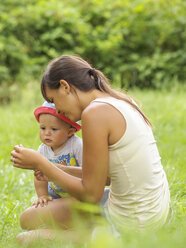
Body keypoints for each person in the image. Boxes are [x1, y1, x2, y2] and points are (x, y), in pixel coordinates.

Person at [11, 55, 170, 243]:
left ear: (65, 86)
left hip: (134, 220)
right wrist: (54, 167)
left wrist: (41, 163)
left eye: (54, 99)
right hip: (156, 208)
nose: (58, 111)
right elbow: (108, 177)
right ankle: (97, 229)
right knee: (29, 218)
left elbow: (91, 194)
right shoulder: (120, 101)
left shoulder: (95, 113)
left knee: (28, 234)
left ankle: (90, 236)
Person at [32, 101, 82, 207]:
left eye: (54, 129)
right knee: (40, 213)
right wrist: (42, 195)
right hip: (55, 193)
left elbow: (87, 173)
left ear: (70, 132)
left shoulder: (77, 145)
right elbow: (39, 176)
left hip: (78, 193)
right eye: (43, 128)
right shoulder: (43, 150)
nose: (47, 133)